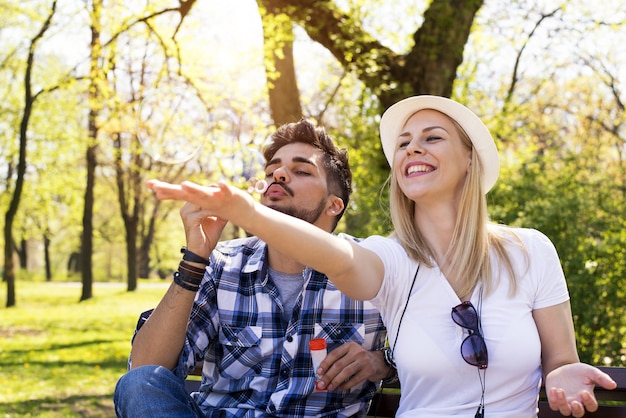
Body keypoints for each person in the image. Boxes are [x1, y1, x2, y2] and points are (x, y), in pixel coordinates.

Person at [146, 95, 618, 418]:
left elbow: (560, 360)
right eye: (404, 143)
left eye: (432, 137)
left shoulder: (529, 251)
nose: (413, 147)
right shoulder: (390, 260)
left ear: (470, 159)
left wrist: (565, 375)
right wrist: (247, 213)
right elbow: (337, 257)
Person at [114, 119, 392, 418]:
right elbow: (145, 370)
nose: (278, 176)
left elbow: (435, 344)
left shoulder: (371, 263)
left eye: (300, 171)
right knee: (140, 383)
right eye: (271, 171)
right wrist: (196, 257)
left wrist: (383, 362)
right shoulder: (222, 263)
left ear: (334, 205)